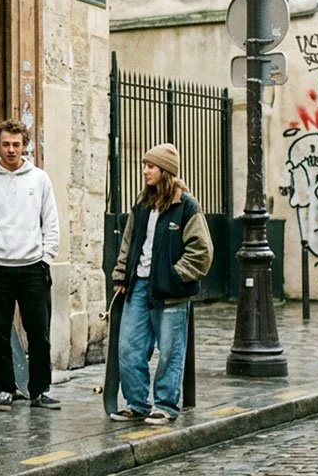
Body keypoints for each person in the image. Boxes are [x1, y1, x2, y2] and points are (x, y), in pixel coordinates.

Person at [109, 143, 213, 425]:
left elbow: (202, 252)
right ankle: (137, 404)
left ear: (165, 171)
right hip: (138, 287)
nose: (145, 170)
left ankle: (166, 405)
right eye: (144, 165)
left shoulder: (186, 206)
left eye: (150, 166)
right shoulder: (142, 204)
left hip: (170, 293)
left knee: (170, 350)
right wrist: (121, 276)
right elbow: (128, 244)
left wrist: (174, 276)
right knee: (128, 347)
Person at [0, 119, 61, 412]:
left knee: (38, 332)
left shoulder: (40, 179)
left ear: (25, 146)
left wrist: (47, 258)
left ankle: (40, 390)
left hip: (33, 266)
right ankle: (5, 388)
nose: (11, 150)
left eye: (16, 144)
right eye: (6, 144)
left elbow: (51, 222)